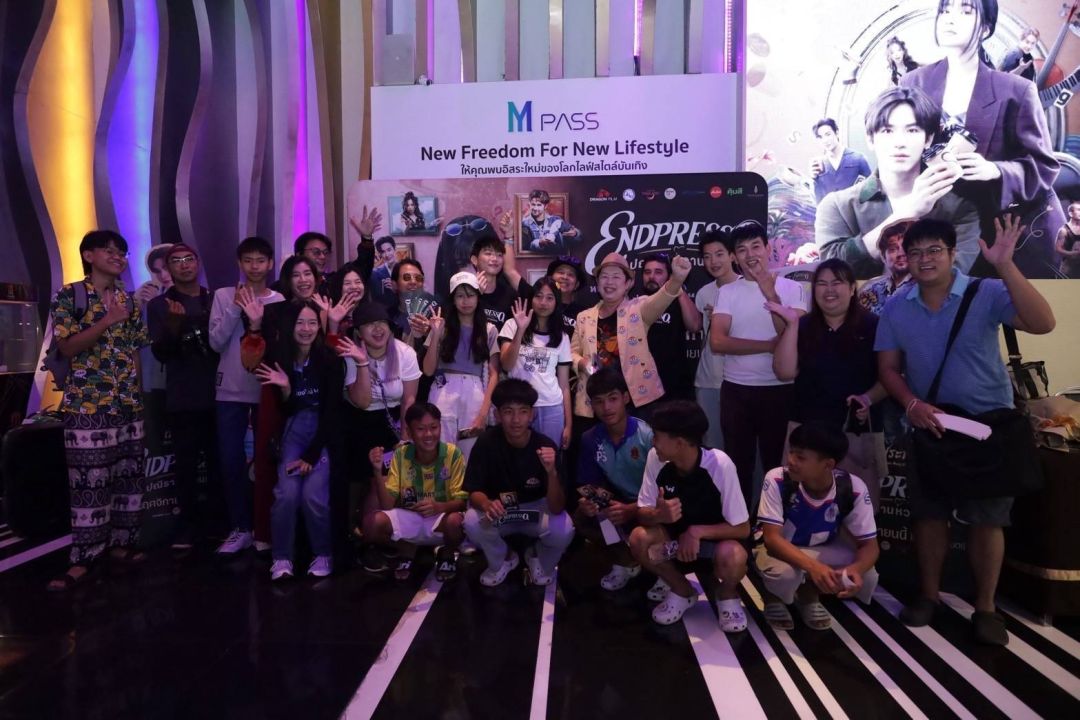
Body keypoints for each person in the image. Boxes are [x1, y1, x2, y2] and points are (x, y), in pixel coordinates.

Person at [875, 215, 1055, 645]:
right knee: (929, 517)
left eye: (934, 250)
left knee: (987, 520)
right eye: (915, 253)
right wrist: (912, 404)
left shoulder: (986, 291)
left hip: (988, 427)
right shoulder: (897, 306)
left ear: (953, 253)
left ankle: (986, 608)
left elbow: (1042, 322)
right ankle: (929, 596)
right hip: (931, 425)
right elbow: (888, 369)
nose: (924, 259)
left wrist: (1006, 264)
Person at [901, 0, 1062, 278]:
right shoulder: (913, 83)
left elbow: (1044, 167)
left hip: (996, 239)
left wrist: (996, 171)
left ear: (986, 28)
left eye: (966, 10)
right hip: (932, 235)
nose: (950, 18)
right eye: (945, 10)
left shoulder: (1017, 90)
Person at [47, 230, 150, 590]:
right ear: (89, 256)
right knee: (89, 482)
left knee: (128, 478)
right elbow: (67, 347)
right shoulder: (70, 295)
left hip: (127, 403)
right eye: (109, 251)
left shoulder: (128, 300)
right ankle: (84, 557)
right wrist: (107, 319)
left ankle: (122, 543)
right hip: (87, 404)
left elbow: (135, 350)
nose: (118, 257)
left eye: (122, 252)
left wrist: (138, 397)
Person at [816, 86, 980, 280]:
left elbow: (947, 282)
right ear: (870, 139)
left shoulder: (959, 209)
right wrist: (906, 213)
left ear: (928, 139)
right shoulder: (837, 206)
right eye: (887, 130)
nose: (900, 142)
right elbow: (831, 272)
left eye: (912, 130)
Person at [629, 401, 749, 632]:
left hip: (713, 546)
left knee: (733, 556)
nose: (653, 442)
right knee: (639, 539)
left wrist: (697, 532)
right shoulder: (656, 458)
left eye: (657, 436)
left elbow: (742, 528)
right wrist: (658, 514)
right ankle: (681, 589)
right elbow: (642, 513)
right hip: (674, 545)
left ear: (679, 443)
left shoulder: (720, 464)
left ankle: (727, 594)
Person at [710, 221, 806, 508]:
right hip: (736, 390)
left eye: (756, 246)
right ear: (734, 257)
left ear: (768, 248)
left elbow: (790, 334)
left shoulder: (793, 288)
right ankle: (741, 524)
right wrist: (767, 346)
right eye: (742, 249)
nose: (750, 255)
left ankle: (775, 524)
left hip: (781, 390)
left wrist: (770, 293)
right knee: (738, 464)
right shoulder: (728, 292)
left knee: (780, 465)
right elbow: (718, 342)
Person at [755, 423, 880, 631]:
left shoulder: (853, 487)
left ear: (828, 464)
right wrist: (815, 568)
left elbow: (870, 545)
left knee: (867, 575)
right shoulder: (777, 479)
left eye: (800, 457)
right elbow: (772, 539)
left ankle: (809, 593)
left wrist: (854, 570)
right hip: (780, 549)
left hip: (822, 548)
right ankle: (772, 596)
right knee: (784, 575)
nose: (791, 461)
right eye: (791, 452)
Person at [255, 301, 343, 580]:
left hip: (322, 433)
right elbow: (287, 409)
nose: (306, 329)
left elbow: (332, 412)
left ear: (320, 327)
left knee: (313, 496)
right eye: (300, 323)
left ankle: (323, 553)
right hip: (294, 430)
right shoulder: (281, 358)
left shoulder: (330, 359)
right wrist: (285, 388)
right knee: (286, 494)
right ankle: (282, 558)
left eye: (312, 323)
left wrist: (312, 455)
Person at [208, 237, 284, 555]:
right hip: (230, 392)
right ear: (239, 264)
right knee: (230, 460)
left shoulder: (279, 299)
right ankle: (240, 527)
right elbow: (215, 342)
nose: (255, 266)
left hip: (267, 390)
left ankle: (265, 527)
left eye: (260, 260)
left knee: (268, 461)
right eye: (248, 260)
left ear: (270, 264)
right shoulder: (223, 296)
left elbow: (280, 345)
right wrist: (235, 308)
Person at [462, 379, 575, 587]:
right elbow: (474, 491)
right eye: (508, 412)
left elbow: (557, 507)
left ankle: (537, 556)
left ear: (532, 415)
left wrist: (551, 472)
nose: (516, 420)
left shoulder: (545, 445)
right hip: (500, 511)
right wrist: (486, 503)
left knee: (564, 528)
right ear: (497, 415)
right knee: (471, 521)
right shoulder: (485, 443)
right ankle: (504, 558)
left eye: (523, 412)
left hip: (537, 508)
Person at [335, 302, 422, 572]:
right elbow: (361, 401)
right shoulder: (350, 354)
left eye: (382, 323)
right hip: (355, 421)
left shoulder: (405, 353)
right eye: (370, 324)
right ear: (358, 332)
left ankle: (373, 538)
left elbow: (409, 399)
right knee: (354, 482)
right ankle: (349, 537)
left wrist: (405, 438)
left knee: (381, 482)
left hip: (390, 422)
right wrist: (362, 362)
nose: (377, 329)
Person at [146, 244, 221, 551]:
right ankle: (188, 528)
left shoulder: (214, 299)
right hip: (182, 398)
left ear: (198, 263)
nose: (184, 265)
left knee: (219, 465)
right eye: (176, 261)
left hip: (219, 396)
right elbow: (161, 353)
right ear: (169, 268)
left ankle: (219, 525)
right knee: (186, 467)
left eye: (189, 259)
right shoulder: (159, 305)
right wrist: (173, 327)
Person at [571, 252, 692, 421]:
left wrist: (676, 279)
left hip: (637, 402)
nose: (609, 282)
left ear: (628, 283)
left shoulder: (639, 308)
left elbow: (662, 298)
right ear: (597, 282)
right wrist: (582, 363)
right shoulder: (584, 317)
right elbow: (572, 353)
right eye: (604, 277)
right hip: (595, 401)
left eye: (616, 277)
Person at [367, 402, 467, 581]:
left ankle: (447, 553)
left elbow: (462, 501)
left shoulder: (453, 454)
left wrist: (438, 507)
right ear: (409, 432)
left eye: (433, 427)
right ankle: (406, 548)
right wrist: (376, 470)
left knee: (456, 522)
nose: (428, 434)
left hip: (440, 518)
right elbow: (387, 505)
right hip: (410, 517)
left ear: (440, 427)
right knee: (371, 523)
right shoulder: (401, 454)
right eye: (420, 429)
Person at [576, 369, 654, 590]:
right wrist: (588, 502)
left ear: (625, 398)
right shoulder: (590, 438)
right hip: (621, 501)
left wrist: (633, 509)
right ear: (592, 405)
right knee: (582, 517)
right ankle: (626, 561)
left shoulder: (647, 434)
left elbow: (668, 489)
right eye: (599, 401)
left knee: (662, 516)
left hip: (652, 504)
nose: (607, 407)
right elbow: (589, 484)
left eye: (613, 399)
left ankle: (663, 570)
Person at [423, 272, 500, 459]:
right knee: (441, 451)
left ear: (478, 297)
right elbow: (428, 370)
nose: (466, 301)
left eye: (471, 295)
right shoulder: (442, 327)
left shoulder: (489, 329)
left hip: (475, 392)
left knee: (470, 452)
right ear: (453, 299)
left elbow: (494, 375)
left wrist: (483, 413)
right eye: (460, 296)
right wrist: (435, 334)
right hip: (443, 389)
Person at [498, 278, 572, 448]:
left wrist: (568, 425)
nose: (543, 302)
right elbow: (506, 365)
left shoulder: (562, 336)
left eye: (549, 298)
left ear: (556, 302)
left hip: (551, 406)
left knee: (549, 456)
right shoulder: (512, 325)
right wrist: (521, 330)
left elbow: (564, 384)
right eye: (538, 296)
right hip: (518, 405)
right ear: (531, 298)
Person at [694, 229, 740, 449]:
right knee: (712, 446)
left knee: (740, 443)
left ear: (732, 255)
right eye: (707, 256)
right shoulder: (703, 293)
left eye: (719, 254)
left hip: (739, 380)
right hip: (707, 380)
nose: (713, 261)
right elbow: (698, 329)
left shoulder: (749, 288)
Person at [641, 254, 703, 402]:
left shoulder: (679, 300)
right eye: (647, 272)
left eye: (658, 272)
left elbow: (695, 326)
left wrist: (677, 286)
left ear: (669, 276)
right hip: (644, 383)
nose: (651, 277)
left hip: (675, 383)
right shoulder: (637, 302)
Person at [134, 244, 173, 397]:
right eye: (157, 271)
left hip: (178, 375)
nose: (163, 275)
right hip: (150, 370)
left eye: (166, 268)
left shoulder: (193, 295)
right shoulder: (148, 292)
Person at [469, 234, 531, 327]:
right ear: (474, 260)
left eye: (499, 255)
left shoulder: (510, 296)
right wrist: (476, 295)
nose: (494, 259)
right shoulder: (465, 290)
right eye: (488, 253)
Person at [809, 119, 872, 203]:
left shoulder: (858, 159)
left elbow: (871, 191)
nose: (825, 140)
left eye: (828, 134)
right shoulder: (819, 166)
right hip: (831, 211)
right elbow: (818, 201)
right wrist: (813, 179)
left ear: (837, 133)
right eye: (820, 137)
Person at [858, 220, 914, 315]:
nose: (901, 254)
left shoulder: (927, 290)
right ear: (883, 257)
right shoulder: (871, 289)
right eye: (893, 249)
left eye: (906, 247)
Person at [546, 255, 591, 339]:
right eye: (561, 272)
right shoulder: (539, 305)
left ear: (577, 284)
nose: (565, 277)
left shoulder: (585, 314)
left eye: (570, 275)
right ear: (551, 278)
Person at [326, 260, 368, 337]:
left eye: (358, 282)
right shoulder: (329, 315)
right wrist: (333, 324)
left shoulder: (371, 313)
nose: (354, 287)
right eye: (347, 283)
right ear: (339, 288)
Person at [1054, 202, 1080, 279]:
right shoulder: (1064, 230)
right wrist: (1072, 253)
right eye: (1079, 210)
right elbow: (1057, 248)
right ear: (1071, 213)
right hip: (1068, 268)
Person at [370, 236, 399, 307]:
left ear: (395, 249)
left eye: (389, 250)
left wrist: (397, 290)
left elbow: (412, 295)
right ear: (380, 254)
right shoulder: (375, 274)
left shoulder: (405, 270)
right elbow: (375, 300)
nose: (387, 255)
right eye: (383, 252)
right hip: (383, 312)